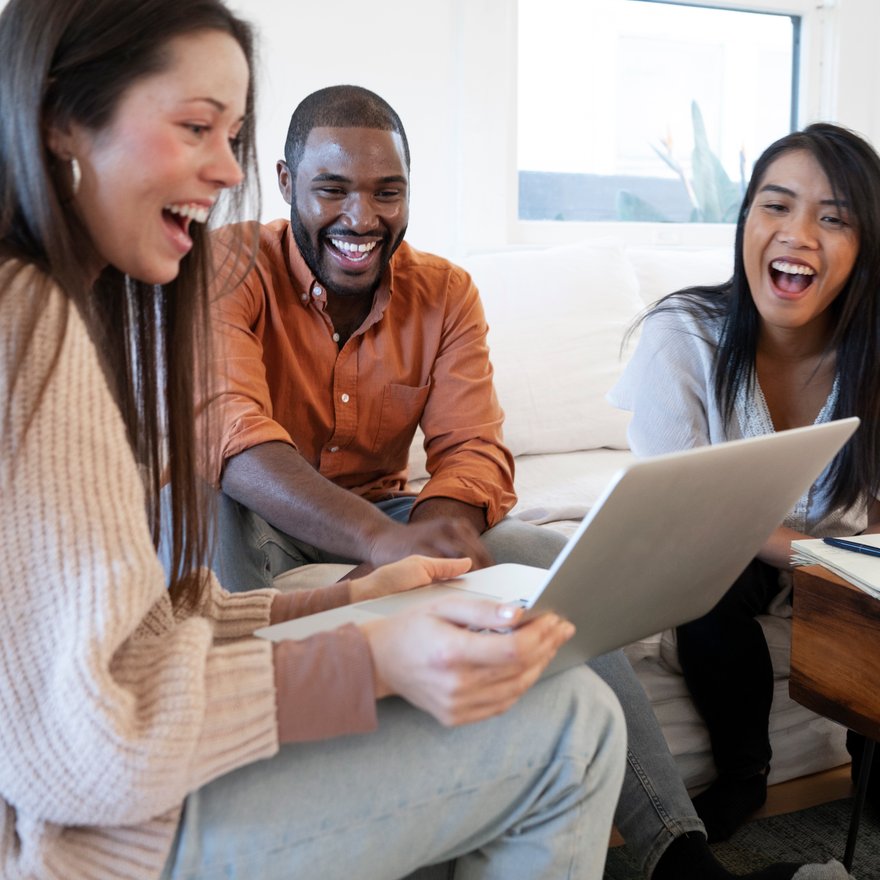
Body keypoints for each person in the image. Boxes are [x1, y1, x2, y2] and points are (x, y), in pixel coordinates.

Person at [0, 1, 630, 878]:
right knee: (576, 729)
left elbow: (163, 622)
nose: (225, 170)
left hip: (134, 769)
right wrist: (372, 655)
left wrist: (363, 598)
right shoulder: (33, 323)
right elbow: (93, 746)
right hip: (87, 841)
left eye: (231, 135)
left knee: (545, 591)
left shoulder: (76, 310)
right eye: (194, 127)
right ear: (62, 120)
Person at [199, 84, 833, 880]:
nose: (362, 218)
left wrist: (431, 533)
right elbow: (235, 439)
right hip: (252, 509)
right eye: (333, 189)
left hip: (390, 504)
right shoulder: (228, 267)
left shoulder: (445, 290)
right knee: (213, 505)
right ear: (287, 182)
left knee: (548, 566)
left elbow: (472, 451)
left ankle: (679, 858)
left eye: (387, 191)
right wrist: (385, 548)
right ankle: (276, 818)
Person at [609, 121, 880, 843]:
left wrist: (853, 564)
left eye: (833, 218)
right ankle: (744, 774)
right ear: (745, 221)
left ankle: (869, 764)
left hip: (845, 548)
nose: (798, 234)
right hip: (727, 541)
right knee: (708, 584)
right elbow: (690, 508)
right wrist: (814, 558)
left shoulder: (874, 353)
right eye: (776, 205)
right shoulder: (684, 334)